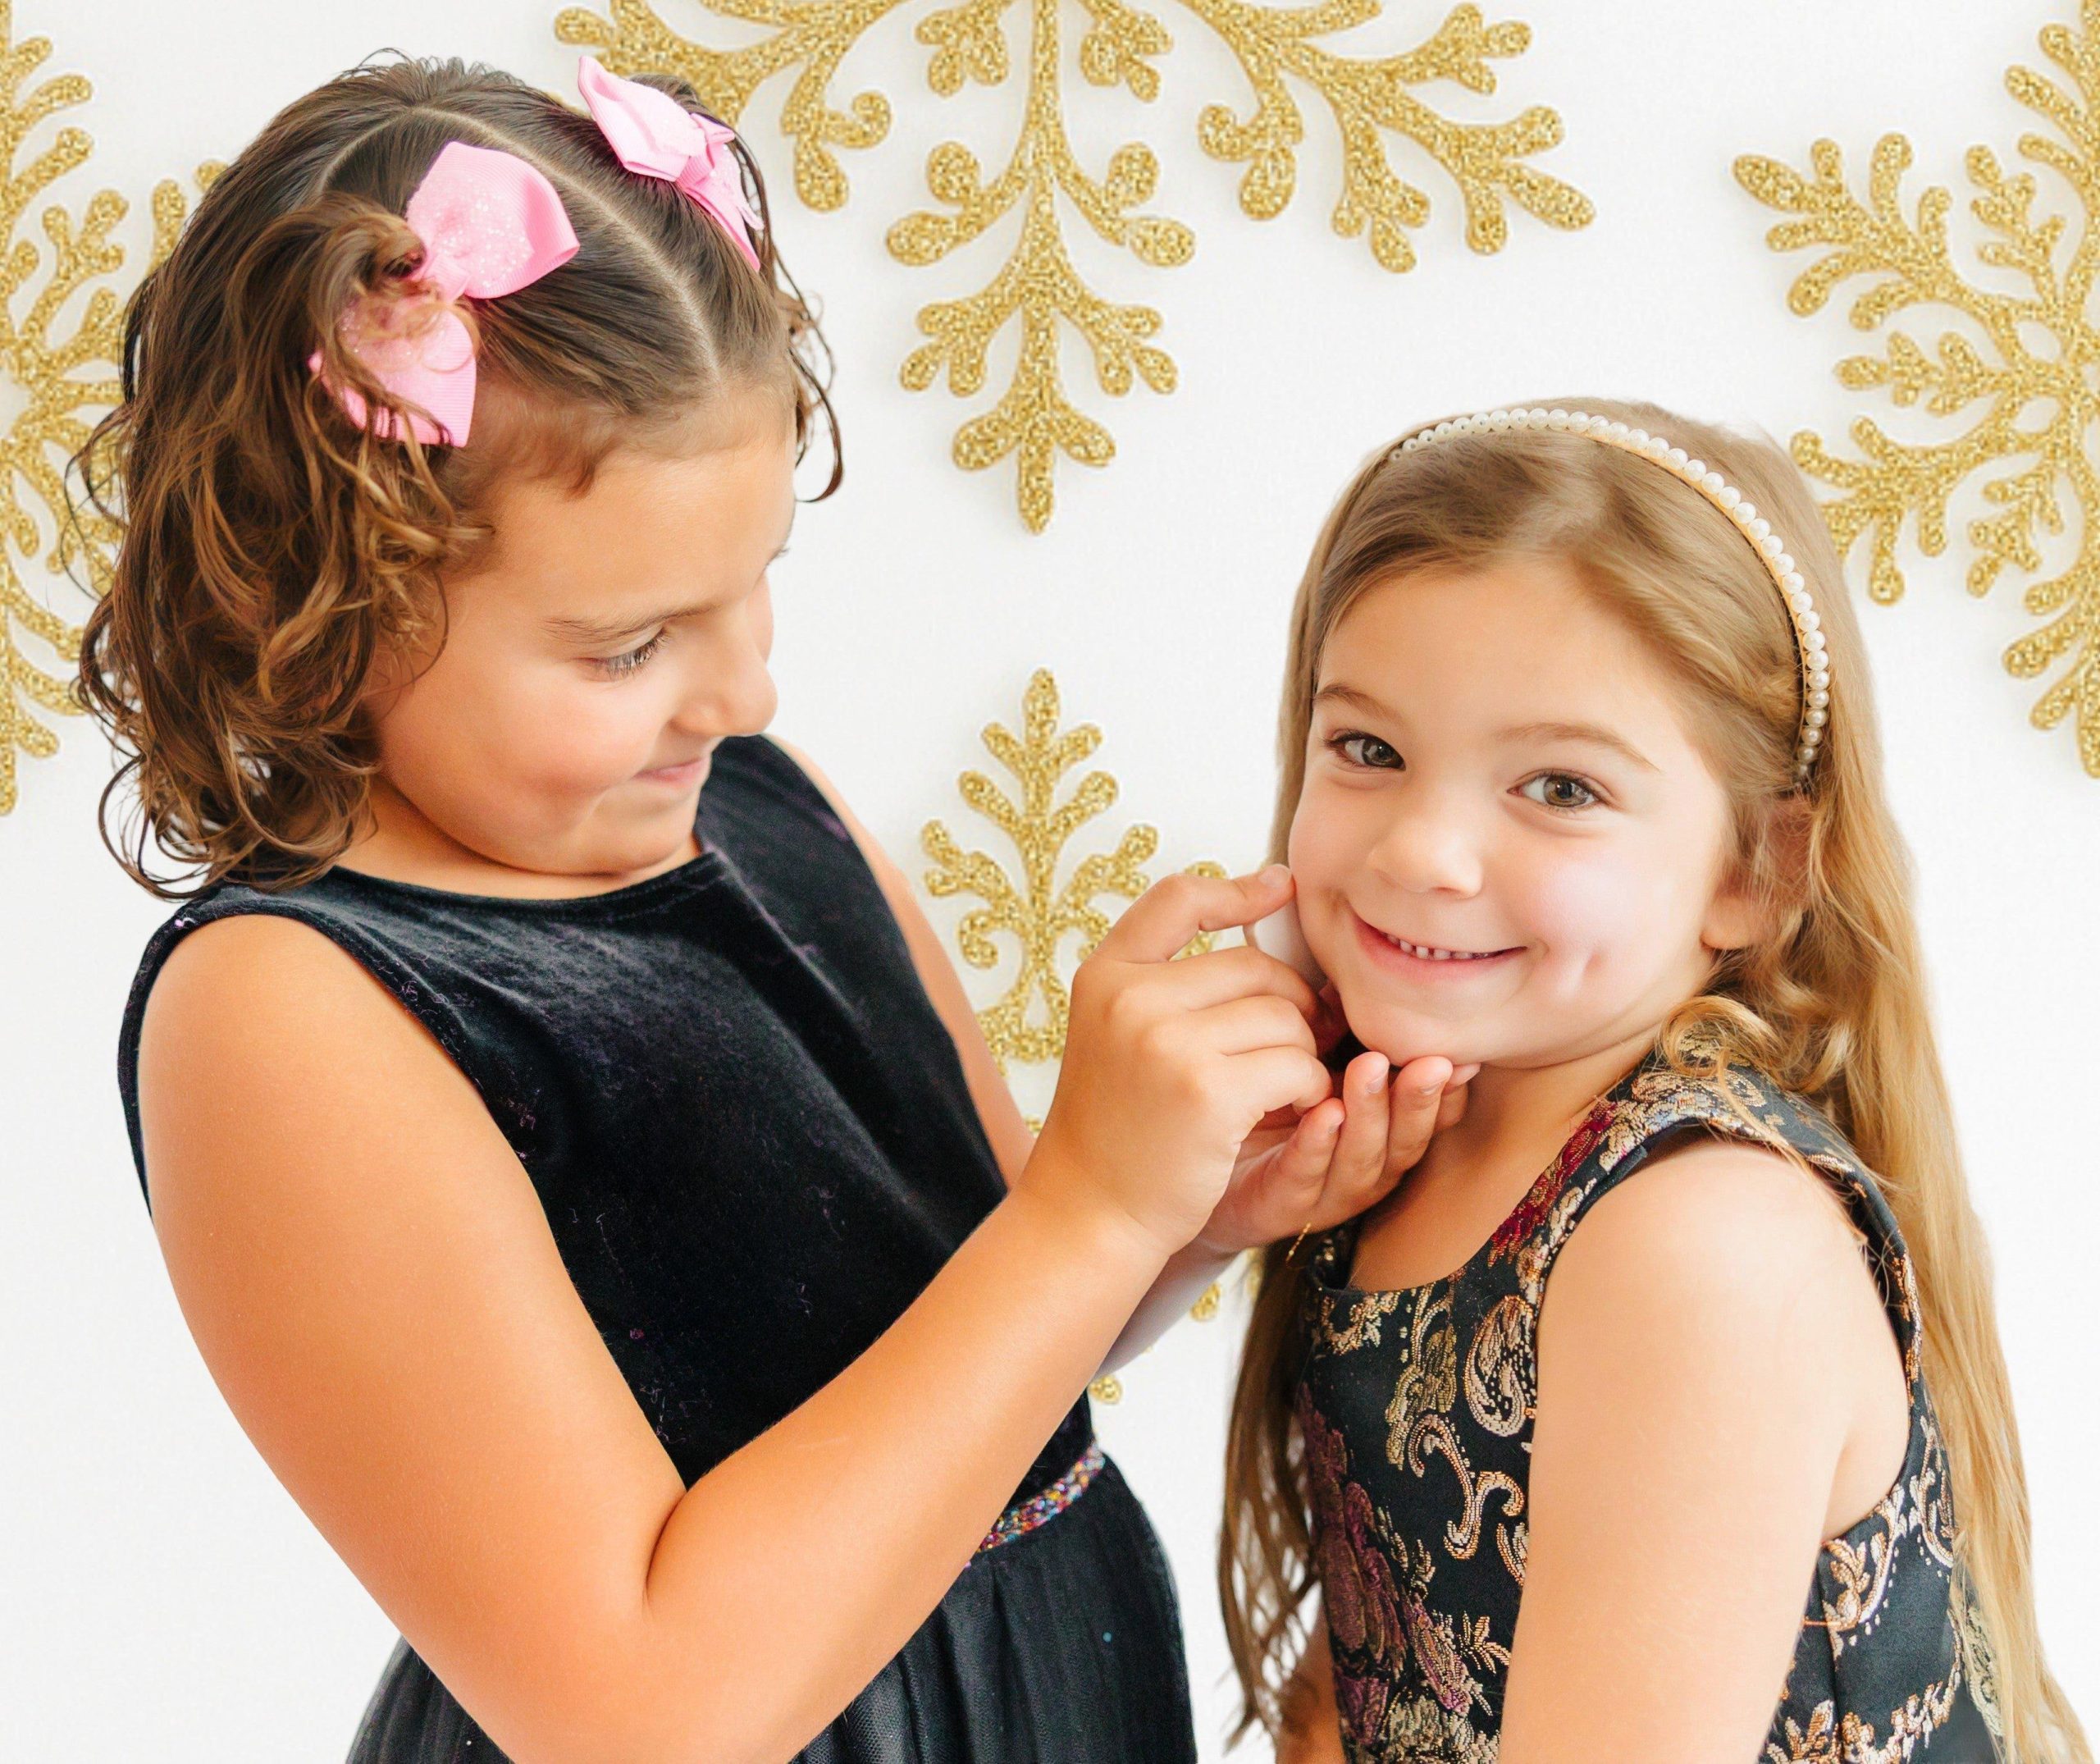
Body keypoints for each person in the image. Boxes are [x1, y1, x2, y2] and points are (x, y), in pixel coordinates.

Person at [75, 53, 1473, 1764]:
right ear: (304, 601)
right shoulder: (286, 1009)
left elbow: (968, 1318)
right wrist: (1090, 1210)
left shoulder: (760, 799)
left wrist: (1176, 1211)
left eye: (752, 588)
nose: (742, 691)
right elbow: (634, 1711)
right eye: (628, 646)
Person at [1217, 400, 2092, 1762]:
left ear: (1759, 872)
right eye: (1369, 749)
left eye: (1561, 788)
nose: (1425, 850)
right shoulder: (1405, 1132)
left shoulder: (1699, 1236)